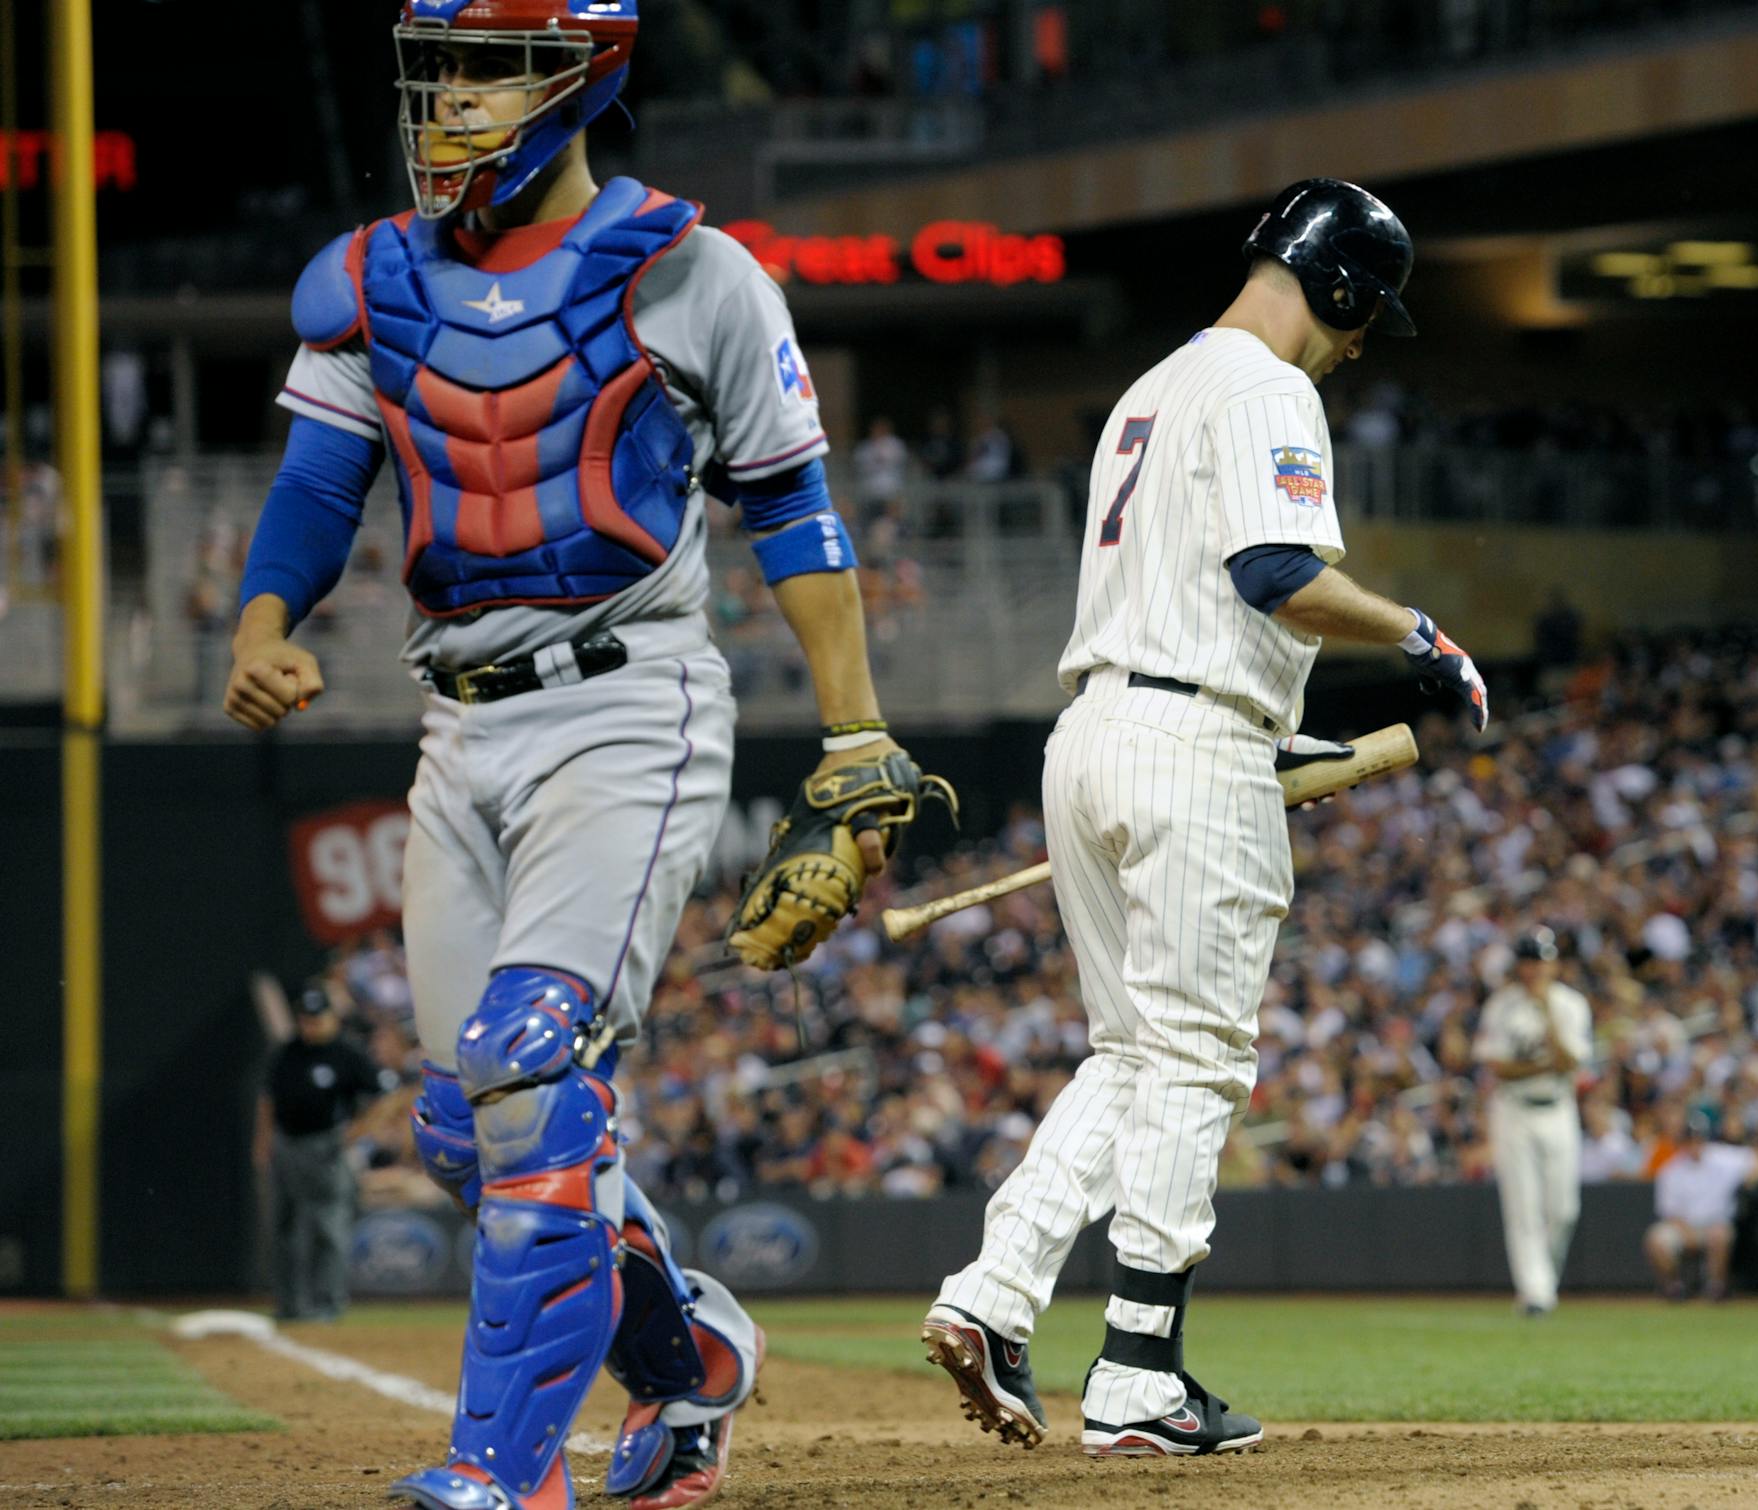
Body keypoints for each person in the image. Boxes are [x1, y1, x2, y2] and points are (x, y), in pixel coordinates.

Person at [223, 5, 918, 1506]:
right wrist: (260, 624)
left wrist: (855, 730)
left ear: (583, 74)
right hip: (456, 723)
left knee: (532, 1061)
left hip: (629, 703)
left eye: (488, 67)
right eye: (442, 68)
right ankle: (686, 1361)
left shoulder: (695, 272)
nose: (454, 100)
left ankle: (501, 1473)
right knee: (465, 1124)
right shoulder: (372, 282)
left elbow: (792, 510)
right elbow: (317, 477)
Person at [922, 178, 1486, 1459]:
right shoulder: (1269, 388)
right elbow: (1275, 575)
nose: (1356, 347)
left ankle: (992, 1293)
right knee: (1196, 1061)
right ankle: (1138, 1375)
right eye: (1364, 319)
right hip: (1190, 746)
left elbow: (1194, 597)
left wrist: (1278, 733)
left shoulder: (1152, 386)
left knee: (1129, 1054)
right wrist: (1417, 633)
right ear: (1338, 287)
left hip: (1099, 733)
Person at [1474, 927, 1591, 1317]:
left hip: (1559, 1107)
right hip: (1513, 1110)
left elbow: (1570, 1061)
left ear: (1554, 963)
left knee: (1563, 1210)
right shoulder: (1501, 1005)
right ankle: (1537, 1294)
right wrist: (1543, 1065)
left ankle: (1543, 1285)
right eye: (1528, 961)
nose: (1535, 969)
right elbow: (1498, 1067)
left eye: (1541, 960)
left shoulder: (1570, 1004)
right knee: (1523, 1207)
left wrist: (1546, 1013)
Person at [261, 987, 391, 1323]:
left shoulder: (346, 1053)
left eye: (317, 1018)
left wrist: (354, 1133)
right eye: (306, 1018)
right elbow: (268, 1100)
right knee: (283, 1228)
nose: (311, 1025)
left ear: (331, 1018)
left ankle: (327, 1304)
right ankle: (290, 1305)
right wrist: (261, 1144)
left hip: (326, 1147)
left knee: (327, 1228)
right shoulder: (287, 1052)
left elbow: (382, 1096)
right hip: (285, 1143)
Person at [1644, 1110, 1758, 1301]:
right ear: (1682, 1142)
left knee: (1719, 1234)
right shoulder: (1671, 1169)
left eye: (1698, 1138)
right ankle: (1674, 1288)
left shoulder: (1723, 1158)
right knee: (1656, 1239)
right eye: (1690, 1139)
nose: (1695, 1144)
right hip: (1683, 1227)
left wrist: (1753, 1176)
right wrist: (1688, 1233)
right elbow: (1669, 1213)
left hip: (1715, 1224)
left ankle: (1716, 1288)